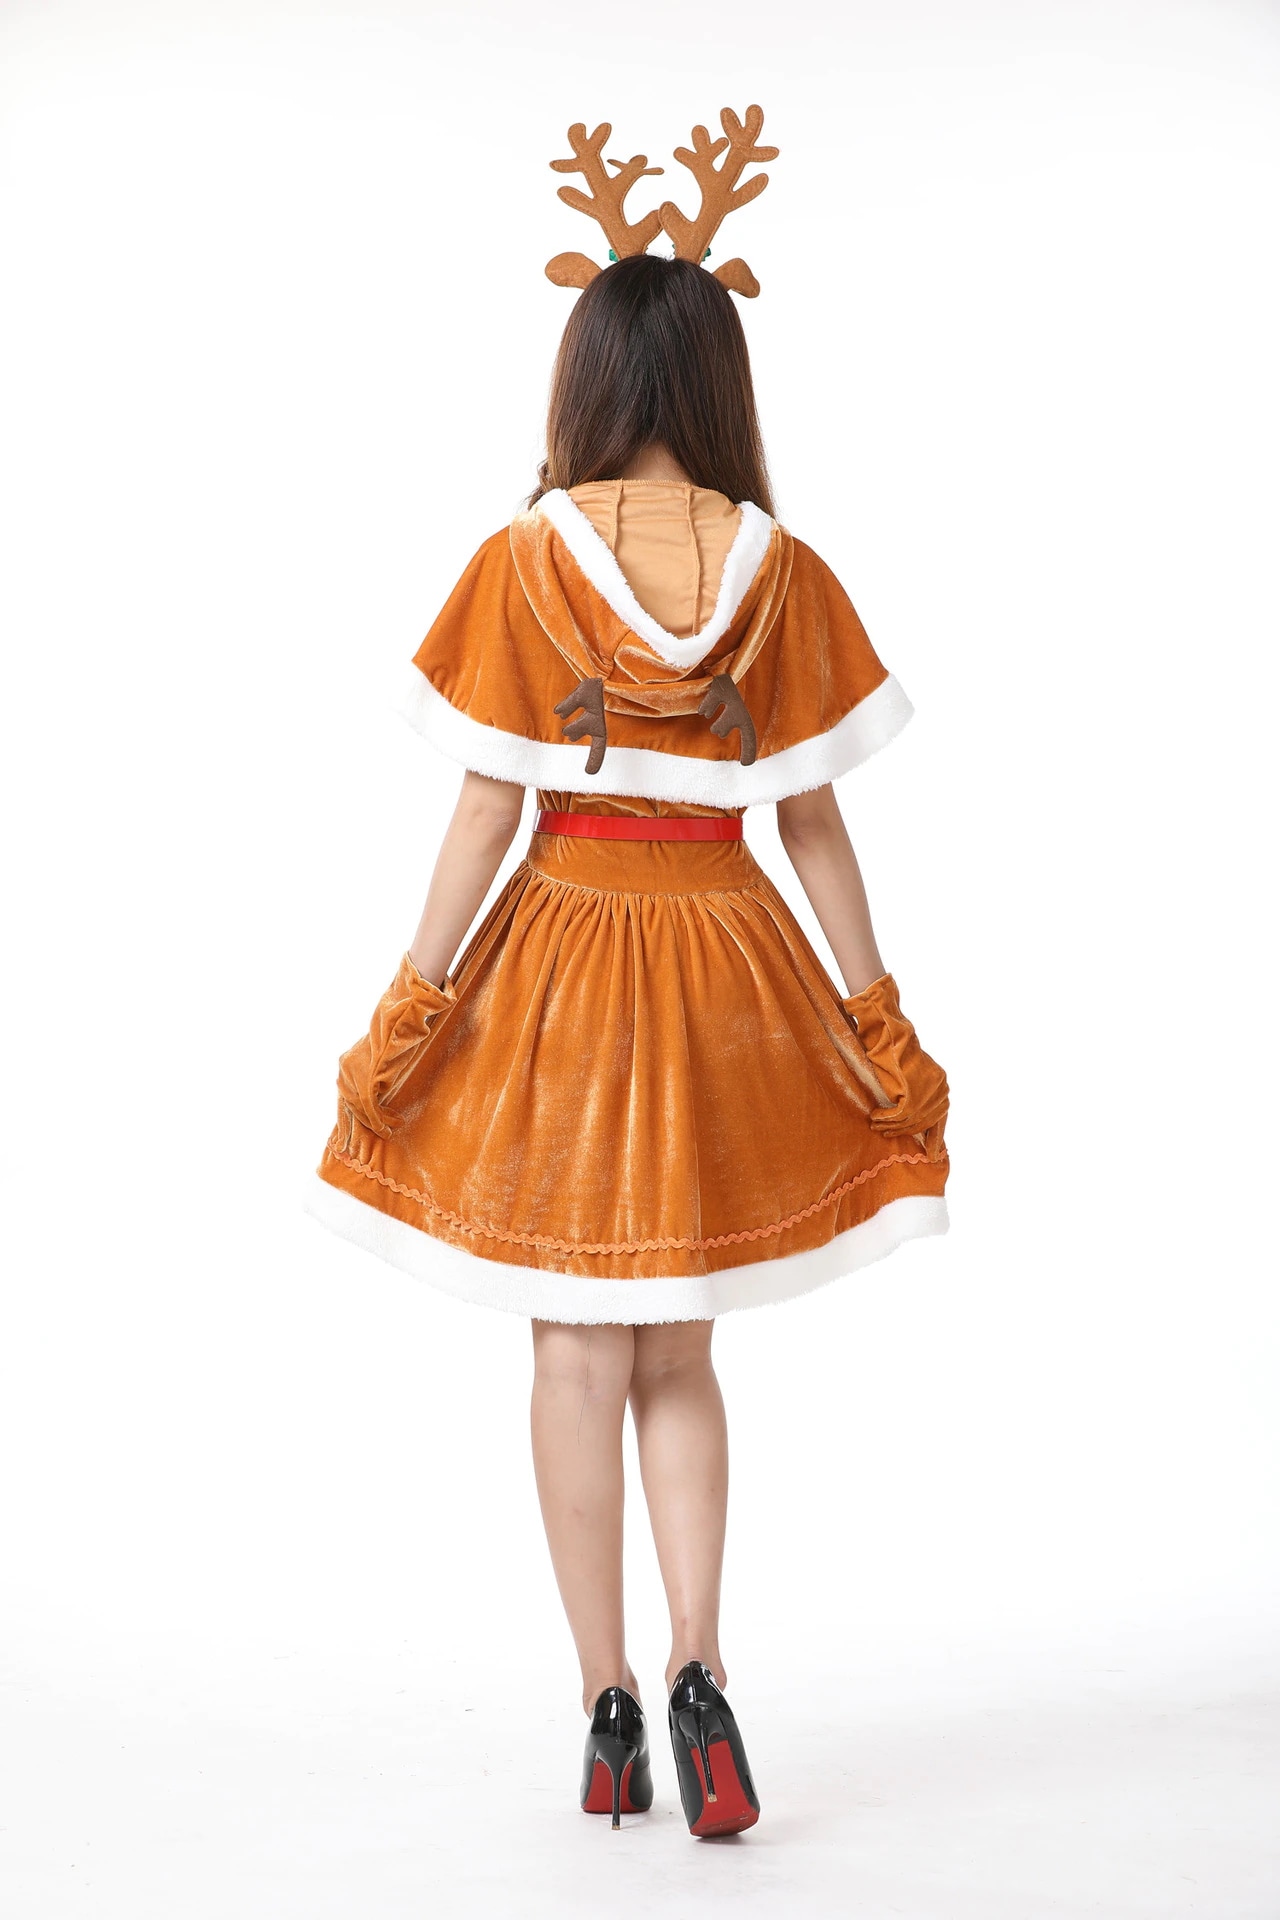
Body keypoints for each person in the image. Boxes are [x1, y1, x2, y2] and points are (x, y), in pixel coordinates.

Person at [307, 109, 949, 1840]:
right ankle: (702, 1668)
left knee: (571, 1353)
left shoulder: (526, 560)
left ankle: (602, 1709)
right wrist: (876, 1018)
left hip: (566, 963)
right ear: (723, 384)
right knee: (681, 1351)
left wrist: (409, 1008)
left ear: (584, 379)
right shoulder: (781, 569)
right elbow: (812, 823)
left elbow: (483, 810)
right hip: (726, 961)